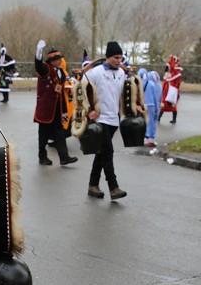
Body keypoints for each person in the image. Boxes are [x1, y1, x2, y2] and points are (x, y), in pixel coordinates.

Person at [83, 41, 131, 200]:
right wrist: (90, 109)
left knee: (101, 152)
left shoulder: (122, 74)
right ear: (108, 57)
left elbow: (125, 94)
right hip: (100, 119)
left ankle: (92, 185)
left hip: (114, 119)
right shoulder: (95, 73)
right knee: (108, 151)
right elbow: (82, 91)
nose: (119, 61)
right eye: (116, 57)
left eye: (121, 58)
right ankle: (113, 187)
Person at [33, 41, 77, 166]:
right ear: (51, 60)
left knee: (60, 133)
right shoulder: (46, 69)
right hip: (46, 108)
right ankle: (42, 156)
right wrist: (38, 52)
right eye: (57, 59)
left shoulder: (61, 72)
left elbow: (61, 91)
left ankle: (64, 157)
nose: (59, 61)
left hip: (57, 107)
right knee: (43, 134)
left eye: (60, 59)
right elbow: (38, 66)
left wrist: (64, 111)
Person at [161, 55, 182, 123]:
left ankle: (174, 119)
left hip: (172, 94)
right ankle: (158, 118)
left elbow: (177, 85)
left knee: (173, 107)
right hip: (165, 94)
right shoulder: (167, 77)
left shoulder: (175, 76)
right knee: (163, 107)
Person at [144, 70, 162, 147]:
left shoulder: (146, 83)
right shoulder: (157, 85)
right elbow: (157, 97)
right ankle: (150, 138)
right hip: (153, 105)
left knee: (147, 122)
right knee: (152, 122)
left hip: (145, 105)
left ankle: (145, 137)